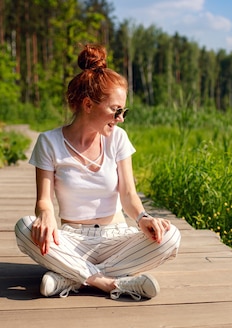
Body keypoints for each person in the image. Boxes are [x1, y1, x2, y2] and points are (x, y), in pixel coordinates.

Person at [15, 44, 180, 300]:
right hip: (71, 239)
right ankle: (112, 284)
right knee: (25, 227)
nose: (121, 118)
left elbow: (128, 195)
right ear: (88, 104)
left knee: (170, 236)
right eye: (116, 110)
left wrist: (144, 218)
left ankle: (70, 277)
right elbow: (43, 200)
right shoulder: (49, 142)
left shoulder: (118, 139)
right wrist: (45, 216)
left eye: (123, 111)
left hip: (116, 237)